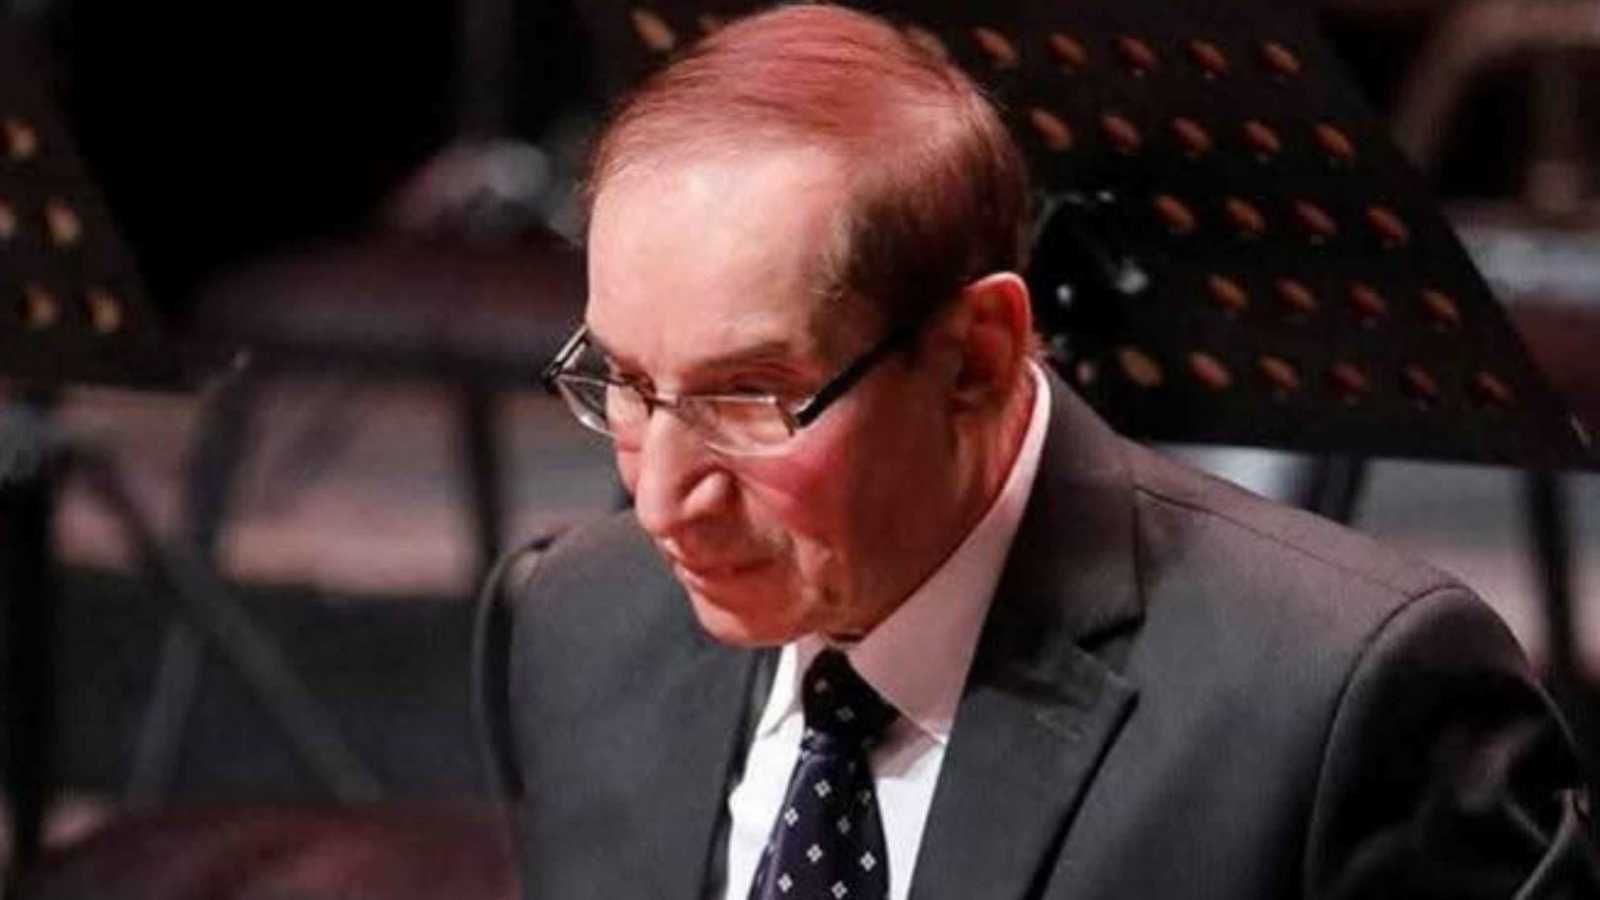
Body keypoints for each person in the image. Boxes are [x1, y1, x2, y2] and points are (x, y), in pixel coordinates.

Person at [510, 5, 1597, 898]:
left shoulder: (1343, 708)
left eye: (748, 397)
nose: (662, 499)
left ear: (977, 357)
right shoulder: (577, 623)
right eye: (626, 383)